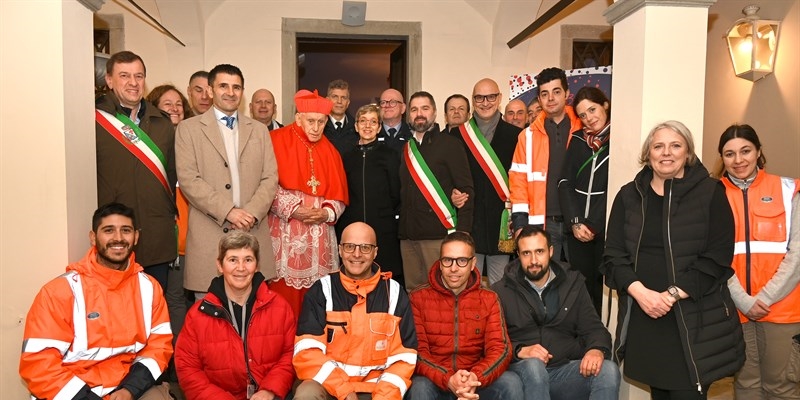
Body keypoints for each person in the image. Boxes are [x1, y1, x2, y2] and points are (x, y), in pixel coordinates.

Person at [603, 120, 745, 399]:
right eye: (658, 146)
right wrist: (641, 293)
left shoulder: (711, 193)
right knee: (659, 392)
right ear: (648, 153)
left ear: (688, 153)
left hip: (691, 319)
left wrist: (668, 296)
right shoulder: (628, 196)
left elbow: (717, 259)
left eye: (675, 145)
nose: (666, 152)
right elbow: (612, 257)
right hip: (646, 317)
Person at [20, 203, 173, 400]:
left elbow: (159, 347)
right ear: (93, 237)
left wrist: (129, 390)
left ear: (136, 237)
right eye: (108, 230)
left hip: (127, 388)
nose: (118, 238)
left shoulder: (149, 287)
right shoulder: (59, 291)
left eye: (125, 230)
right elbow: (38, 364)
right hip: (71, 394)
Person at [175, 64, 279, 299]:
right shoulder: (188, 129)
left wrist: (250, 213)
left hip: (252, 232)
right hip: (209, 235)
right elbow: (189, 179)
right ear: (211, 91)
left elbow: (270, 177)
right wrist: (229, 211)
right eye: (223, 86)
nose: (230, 92)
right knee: (211, 320)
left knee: (254, 319)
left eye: (236, 87)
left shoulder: (260, 131)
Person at [714, 124, 800, 399]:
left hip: (783, 309)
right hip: (735, 309)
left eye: (745, 151)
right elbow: (713, 256)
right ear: (722, 158)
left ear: (759, 151)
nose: (738, 160)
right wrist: (743, 300)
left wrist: (765, 297)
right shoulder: (712, 195)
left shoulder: (788, 189)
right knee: (746, 386)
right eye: (729, 154)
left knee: (782, 388)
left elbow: (797, 254)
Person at [492, 225, 620, 400]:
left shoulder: (573, 283)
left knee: (608, 370)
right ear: (518, 255)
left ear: (551, 251)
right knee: (533, 367)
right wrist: (519, 350)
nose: (533, 260)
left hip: (562, 371)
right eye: (526, 253)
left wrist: (596, 349)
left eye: (539, 251)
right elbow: (490, 343)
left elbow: (595, 329)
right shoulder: (500, 291)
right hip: (520, 372)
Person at [293, 222, 417, 400]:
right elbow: (307, 353)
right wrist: (345, 391)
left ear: (375, 252)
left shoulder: (395, 294)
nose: (357, 254)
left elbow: (403, 359)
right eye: (350, 247)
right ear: (340, 250)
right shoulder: (322, 291)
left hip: (377, 390)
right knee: (307, 393)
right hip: (330, 387)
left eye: (365, 248)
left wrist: (383, 397)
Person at [175, 231, 295, 400]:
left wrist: (269, 390)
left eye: (248, 260)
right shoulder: (197, 315)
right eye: (233, 260)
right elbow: (188, 369)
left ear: (257, 265)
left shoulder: (280, 307)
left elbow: (290, 354)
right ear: (219, 265)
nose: (241, 268)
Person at [406, 231, 523, 400]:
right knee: (419, 387)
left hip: (475, 379)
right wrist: (447, 379)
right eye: (447, 260)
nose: (454, 268)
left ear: (473, 263)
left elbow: (500, 349)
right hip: (436, 380)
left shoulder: (489, 298)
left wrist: (474, 377)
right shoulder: (418, 298)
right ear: (440, 263)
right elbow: (417, 353)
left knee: (511, 382)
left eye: (461, 261)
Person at [95, 50, 177, 290]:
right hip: (114, 236)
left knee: (154, 308)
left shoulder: (163, 122)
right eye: (124, 76)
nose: (133, 83)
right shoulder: (93, 120)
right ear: (109, 80)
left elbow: (172, 176)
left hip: (155, 235)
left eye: (139, 76)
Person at [268, 89, 349, 318]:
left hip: (320, 237)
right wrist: (295, 209)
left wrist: (327, 213)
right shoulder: (276, 140)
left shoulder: (331, 151)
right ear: (298, 118)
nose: (316, 128)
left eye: (321, 122)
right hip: (286, 234)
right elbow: (265, 185)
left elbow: (339, 194)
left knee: (319, 300)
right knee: (283, 301)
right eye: (311, 121)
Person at [399, 91, 474, 291]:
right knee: (414, 293)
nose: (419, 114)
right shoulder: (406, 148)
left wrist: (463, 234)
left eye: (425, 108)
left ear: (434, 113)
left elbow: (466, 190)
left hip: (438, 235)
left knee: (443, 291)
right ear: (409, 116)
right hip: (408, 236)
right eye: (414, 109)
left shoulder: (450, 145)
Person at [448, 78, 518, 285]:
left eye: (491, 97)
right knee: (467, 285)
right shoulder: (458, 135)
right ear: (473, 100)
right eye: (479, 97)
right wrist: (451, 190)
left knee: (500, 287)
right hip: (471, 220)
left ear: (499, 98)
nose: (485, 102)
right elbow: (447, 175)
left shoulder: (516, 135)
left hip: (502, 224)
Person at [509, 67, 582, 262]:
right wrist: (519, 225)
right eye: (545, 94)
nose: (551, 98)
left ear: (567, 94)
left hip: (578, 222)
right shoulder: (527, 136)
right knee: (545, 286)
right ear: (539, 99)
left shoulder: (584, 129)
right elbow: (518, 183)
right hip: (542, 224)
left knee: (579, 285)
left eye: (556, 92)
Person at [557, 86, 611, 316]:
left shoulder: (618, 141)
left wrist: (595, 225)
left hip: (604, 228)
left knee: (605, 288)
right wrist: (576, 222)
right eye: (583, 115)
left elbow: (614, 189)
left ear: (605, 105)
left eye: (592, 110)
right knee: (581, 287)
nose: (589, 118)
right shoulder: (578, 140)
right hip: (578, 229)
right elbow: (564, 182)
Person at [336, 104, 403, 285]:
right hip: (351, 225)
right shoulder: (346, 157)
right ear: (356, 126)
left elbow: (396, 193)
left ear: (379, 127)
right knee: (352, 279)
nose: (368, 126)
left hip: (383, 228)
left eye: (373, 122)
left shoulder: (390, 155)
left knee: (383, 280)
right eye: (363, 121)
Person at [324, 79, 358, 154]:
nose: (339, 101)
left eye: (343, 97)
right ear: (327, 100)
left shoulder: (357, 128)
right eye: (335, 97)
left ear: (348, 102)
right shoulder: (319, 127)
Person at [377, 88, 412, 152]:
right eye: (383, 102)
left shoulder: (412, 135)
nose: (387, 105)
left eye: (393, 102)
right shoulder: (372, 134)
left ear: (403, 108)